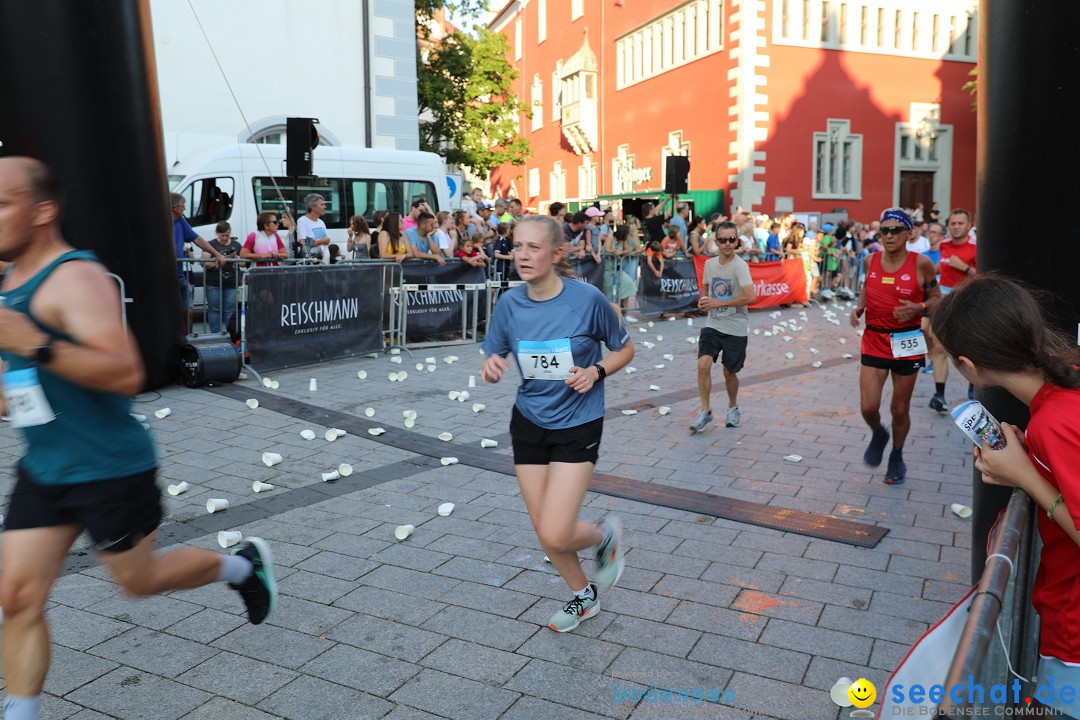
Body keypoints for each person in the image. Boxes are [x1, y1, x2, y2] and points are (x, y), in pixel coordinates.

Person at [0, 158, 276, 720]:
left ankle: (244, 566)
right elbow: (21, 381)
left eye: (2, 202)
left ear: (42, 211)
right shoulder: (11, 279)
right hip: (47, 465)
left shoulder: (75, 278)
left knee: (139, 581)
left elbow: (125, 374)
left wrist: (33, 342)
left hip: (108, 467)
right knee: (17, 598)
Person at [931, 274, 1080, 719]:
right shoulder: (1064, 393)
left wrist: (1025, 477)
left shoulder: (1056, 421)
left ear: (969, 366)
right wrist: (1032, 464)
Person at [480, 215, 634, 633]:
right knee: (545, 531)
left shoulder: (587, 300)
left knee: (556, 528)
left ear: (557, 253)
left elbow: (624, 349)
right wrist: (492, 365)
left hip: (578, 423)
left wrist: (596, 371)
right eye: (517, 246)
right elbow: (495, 353)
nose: (523, 256)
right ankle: (584, 596)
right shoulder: (510, 304)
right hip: (529, 422)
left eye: (533, 247)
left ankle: (604, 537)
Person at [849, 208, 941, 485]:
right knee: (868, 407)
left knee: (899, 409)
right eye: (884, 231)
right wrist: (860, 306)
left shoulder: (921, 263)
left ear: (908, 233)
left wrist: (920, 306)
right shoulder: (870, 260)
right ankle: (879, 432)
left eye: (894, 230)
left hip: (907, 341)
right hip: (875, 338)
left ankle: (896, 456)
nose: (888, 236)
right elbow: (868, 285)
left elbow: (937, 297)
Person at [690, 221, 756, 433]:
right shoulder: (710, 264)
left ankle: (733, 407)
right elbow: (706, 287)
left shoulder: (740, 266)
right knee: (703, 364)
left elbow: (750, 296)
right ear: (716, 242)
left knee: (729, 372)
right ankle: (705, 410)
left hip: (735, 327)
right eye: (723, 240)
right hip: (713, 324)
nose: (728, 244)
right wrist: (703, 300)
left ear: (737, 241)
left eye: (732, 239)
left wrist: (718, 303)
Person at [926, 209, 978, 411]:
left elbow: (984, 275)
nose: (956, 226)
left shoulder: (975, 247)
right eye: (953, 223)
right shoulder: (945, 245)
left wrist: (964, 268)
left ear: (968, 225)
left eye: (960, 223)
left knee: (969, 350)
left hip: (966, 302)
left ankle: (974, 388)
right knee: (938, 347)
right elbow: (940, 267)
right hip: (944, 300)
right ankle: (939, 395)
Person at [169, 192, 225, 335]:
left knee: (188, 310)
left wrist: (217, 253)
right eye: (183, 206)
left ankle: (188, 339)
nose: (184, 209)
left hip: (180, 275)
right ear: (174, 207)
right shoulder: (161, 221)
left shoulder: (181, 221)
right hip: (165, 277)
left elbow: (197, 239)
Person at [204, 221, 242, 335]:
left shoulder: (236, 245)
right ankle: (214, 335)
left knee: (230, 310)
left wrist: (235, 257)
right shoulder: (210, 244)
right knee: (214, 310)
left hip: (232, 283)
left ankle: (231, 335)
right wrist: (219, 261)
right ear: (217, 233)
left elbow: (244, 264)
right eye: (222, 235)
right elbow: (204, 262)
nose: (225, 238)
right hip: (213, 282)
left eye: (227, 235)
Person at [603, 224, 638, 307]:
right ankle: (609, 311)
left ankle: (624, 310)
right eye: (628, 233)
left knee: (629, 283)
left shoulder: (623, 239)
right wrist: (614, 251)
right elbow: (607, 249)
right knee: (608, 291)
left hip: (617, 268)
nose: (629, 235)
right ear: (623, 233)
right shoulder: (611, 236)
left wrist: (620, 252)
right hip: (608, 267)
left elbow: (627, 250)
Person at [296, 193, 331, 264]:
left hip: (324, 262)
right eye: (322, 204)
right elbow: (303, 244)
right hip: (312, 263)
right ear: (312, 206)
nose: (325, 207)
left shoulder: (321, 222)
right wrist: (322, 241)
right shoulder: (302, 221)